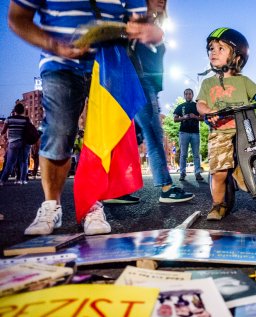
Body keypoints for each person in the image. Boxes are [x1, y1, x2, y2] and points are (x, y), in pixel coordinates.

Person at [8, 0, 155, 235]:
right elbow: (17, 17)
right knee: (59, 130)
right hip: (60, 63)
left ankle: (91, 204)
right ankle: (51, 205)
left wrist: (147, 30)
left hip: (110, 62)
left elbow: (138, 20)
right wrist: (53, 44)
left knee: (105, 135)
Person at [106, 0, 194, 205]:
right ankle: (166, 187)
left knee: (128, 137)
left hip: (142, 83)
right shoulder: (136, 23)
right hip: (139, 82)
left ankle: (112, 190)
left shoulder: (152, 26)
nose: (161, 1)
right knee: (154, 134)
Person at [196, 27, 256, 221]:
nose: (213, 51)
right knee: (219, 172)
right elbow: (200, 104)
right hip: (221, 132)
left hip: (245, 128)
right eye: (211, 48)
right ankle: (218, 205)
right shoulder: (208, 83)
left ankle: (249, 170)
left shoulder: (243, 81)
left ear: (237, 57)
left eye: (220, 48)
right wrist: (208, 111)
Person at [174, 88, 204, 182]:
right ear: (184, 95)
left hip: (195, 132)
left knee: (196, 154)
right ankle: (182, 173)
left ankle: (197, 173)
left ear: (192, 95)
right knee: (183, 154)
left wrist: (195, 116)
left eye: (190, 94)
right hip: (183, 132)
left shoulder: (197, 106)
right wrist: (183, 117)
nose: (188, 95)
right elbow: (175, 119)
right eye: (186, 94)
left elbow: (203, 118)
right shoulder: (180, 106)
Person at [0, 103, 30, 186]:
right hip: (24, 143)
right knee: (24, 162)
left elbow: (3, 132)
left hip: (13, 143)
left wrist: (6, 138)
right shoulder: (26, 119)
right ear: (23, 111)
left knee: (10, 162)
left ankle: (3, 180)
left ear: (15, 111)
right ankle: (22, 180)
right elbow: (29, 130)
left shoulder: (9, 119)